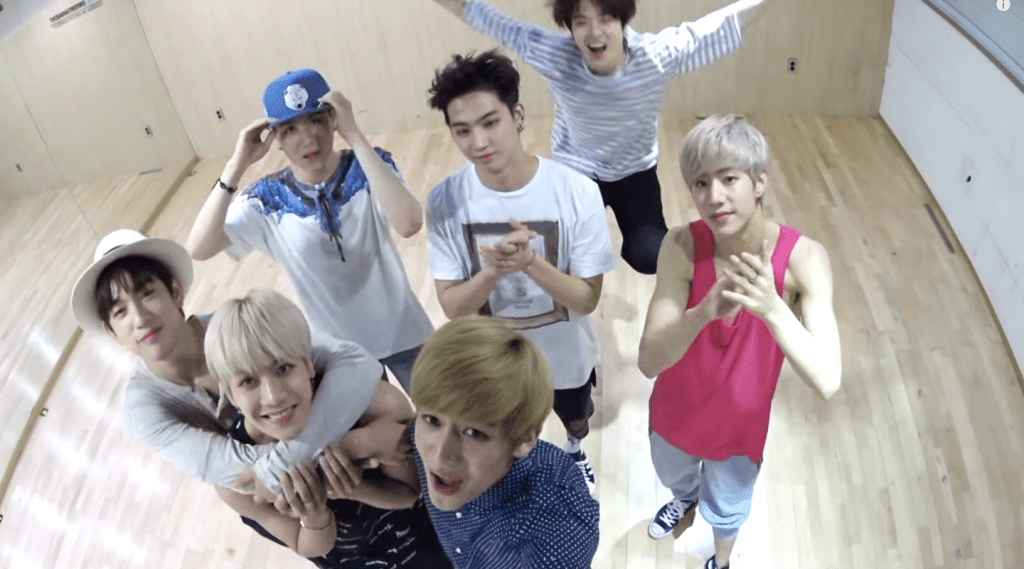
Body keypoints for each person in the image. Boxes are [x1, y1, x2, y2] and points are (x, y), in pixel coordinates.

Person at [428, 0, 768, 275]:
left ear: (622, 21)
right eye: (581, 22)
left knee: (650, 257)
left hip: (634, 171)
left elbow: (720, 27)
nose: (594, 33)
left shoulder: (655, 56)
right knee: (562, 260)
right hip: (577, 170)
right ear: (569, 27)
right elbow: (484, 16)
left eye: (605, 18)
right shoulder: (555, 55)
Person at [637, 116, 842, 569]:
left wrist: (771, 307)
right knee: (676, 479)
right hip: (674, 411)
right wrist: (703, 312)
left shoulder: (805, 259)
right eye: (701, 183)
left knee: (729, 511)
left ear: (760, 181)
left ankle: (722, 561)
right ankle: (685, 500)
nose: (714, 196)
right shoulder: (681, 246)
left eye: (729, 179)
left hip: (740, 428)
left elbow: (828, 380)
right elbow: (649, 362)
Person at [69, 229, 394, 496]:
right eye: (120, 312)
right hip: (302, 497)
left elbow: (357, 362)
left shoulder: (241, 325)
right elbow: (239, 478)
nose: (140, 318)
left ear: (175, 291)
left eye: (147, 294)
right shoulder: (141, 409)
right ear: (111, 332)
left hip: (363, 462)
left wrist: (327, 449)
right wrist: (349, 444)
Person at [424, 50, 615, 492]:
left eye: (490, 122)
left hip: (567, 356)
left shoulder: (578, 193)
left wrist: (530, 264)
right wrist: (490, 274)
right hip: (492, 359)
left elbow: (586, 299)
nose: (479, 142)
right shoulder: (444, 201)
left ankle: (574, 450)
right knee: (507, 429)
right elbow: (453, 307)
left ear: (518, 116)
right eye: (463, 130)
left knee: (575, 416)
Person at [186, 68, 432, 392]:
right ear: (275, 139)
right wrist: (236, 166)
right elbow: (199, 248)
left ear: (333, 120)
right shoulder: (265, 200)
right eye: (290, 129)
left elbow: (409, 223)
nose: (309, 139)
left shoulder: (370, 165)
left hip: (406, 332)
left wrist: (355, 136)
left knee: (450, 414)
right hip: (342, 354)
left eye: (316, 120)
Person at [204, 289, 452, 568]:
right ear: (230, 393)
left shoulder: (376, 406)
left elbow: (409, 493)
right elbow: (304, 544)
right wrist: (316, 517)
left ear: (309, 364)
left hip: (430, 546)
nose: (273, 396)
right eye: (248, 381)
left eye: (283, 368)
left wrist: (356, 486)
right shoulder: (234, 478)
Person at [410, 315, 599, 568]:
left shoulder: (554, 533)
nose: (439, 456)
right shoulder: (422, 440)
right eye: (433, 419)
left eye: (474, 433)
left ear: (524, 439)